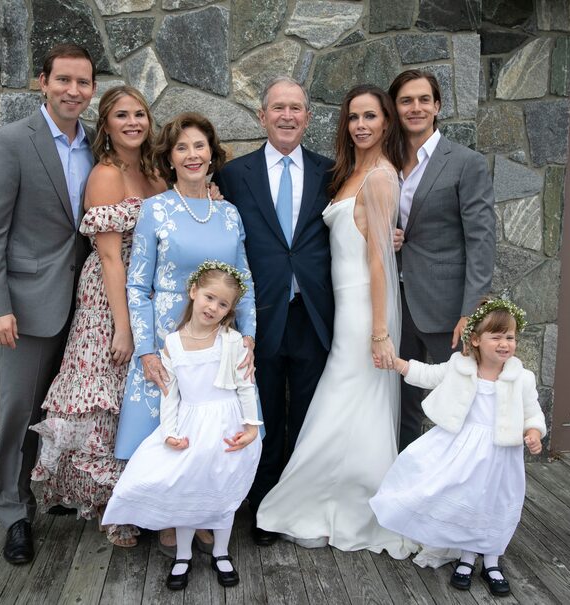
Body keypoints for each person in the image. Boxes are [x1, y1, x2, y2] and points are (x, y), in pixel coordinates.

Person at [254, 85, 415, 555]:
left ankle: (353, 505)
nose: (361, 125)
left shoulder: (381, 176)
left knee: (346, 402)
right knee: (344, 405)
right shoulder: (347, 172)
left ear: (386, 121)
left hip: (365, 311)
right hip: (342, 309)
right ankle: (330, 500)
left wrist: (381, 331)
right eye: (353, 118)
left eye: (371, 116)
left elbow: (381, 262)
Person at [0, 43, 96, 564]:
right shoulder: (12, 141)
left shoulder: (97, 146)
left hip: (85, 308)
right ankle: (14, 513)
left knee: (68, 409)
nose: (73, 91)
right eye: (63, 80)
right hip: (25, 305)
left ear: (92, 89)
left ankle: (60, 493)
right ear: (42, 82)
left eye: (83, 82)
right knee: (19, 413)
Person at [27, 86, 165, 547]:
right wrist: (123, 328)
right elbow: (109, 258)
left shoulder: (154, 172)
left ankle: (144, 496)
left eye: (139, 114)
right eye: (121, 115)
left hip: (149, 293)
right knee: (105, 399)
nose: (132, 122)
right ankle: (110, 508)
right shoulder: (105, 175)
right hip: (110, 298)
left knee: (140, 401)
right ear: (104, 125)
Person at [114, 112, 256, 556]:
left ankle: (199, 512)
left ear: (212, 153)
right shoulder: (156, 210)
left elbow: (244, 280)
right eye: (182, 148)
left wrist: (249, 336)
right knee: (166, 425)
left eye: (200, 146)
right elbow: (137, 284)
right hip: (164, 332)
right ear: (170, 158)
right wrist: (146, 349)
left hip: (217, 337)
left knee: (210, 423)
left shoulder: (229, 214)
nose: (192, 155)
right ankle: (167, 514)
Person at [213, 76, 334, 546]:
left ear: (307, 117)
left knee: (306, 415)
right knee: (260, 414)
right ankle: (263, 508)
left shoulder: (331, 173)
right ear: (261, 116)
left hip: (314, 315)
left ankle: (297, 505)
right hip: (257, 318)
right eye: (278, 108)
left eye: (296, 108)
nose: (287, 116)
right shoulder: (234, 175)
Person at [369, 298, 545, 597]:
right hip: (464, 451)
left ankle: (491, 561)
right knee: (469, 503)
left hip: (501, 455)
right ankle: (466, 557)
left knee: (496, 505)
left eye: (510, 337)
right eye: (497, 337)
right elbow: (428, 374)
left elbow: (532, 411)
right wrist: (398, 364)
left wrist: (533, 432)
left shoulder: (522, 378)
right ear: (476, 339)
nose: (505, 344)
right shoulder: (460, 367)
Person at [103, 261, 262, 590]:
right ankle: (184, 555)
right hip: (191, 422)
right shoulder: (173, 343)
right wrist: (171, 431)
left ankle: (220, 552)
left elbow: (246, 385)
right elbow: (170, 394)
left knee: (222, 488)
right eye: (209, 297)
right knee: (186, 488)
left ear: (230, 310)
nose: (213, 307)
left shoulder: (231, 340)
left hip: (226, 422)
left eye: (223, 304)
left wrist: (251, 426)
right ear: (193, 292)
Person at [388, 69, 496, 452]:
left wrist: (472, 312)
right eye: (406, 101)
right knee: (402, 404)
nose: (415, 107)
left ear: (436, 106)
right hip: (396, 302)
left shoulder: (466, 163)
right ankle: (403, 484)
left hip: (448, 308)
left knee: (462, 401)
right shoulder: (385, 160)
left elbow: (481, 241)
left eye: (422, 99)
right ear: (396, 108)